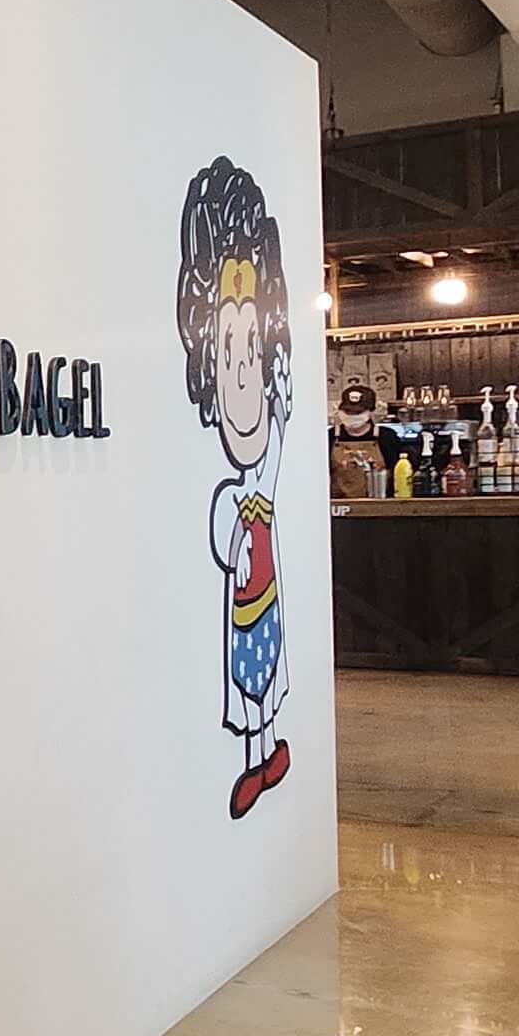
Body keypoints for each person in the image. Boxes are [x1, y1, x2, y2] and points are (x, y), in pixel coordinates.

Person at [176, 156, 294, 820]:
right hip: (246, 601)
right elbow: (227, 541)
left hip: (265, 596)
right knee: (249, 672)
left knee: (266, 671)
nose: (243, 374)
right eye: (229, 356)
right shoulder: (229, 494)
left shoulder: (268, 460)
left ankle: (268, 749)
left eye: (251, 353)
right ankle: (256, 752)